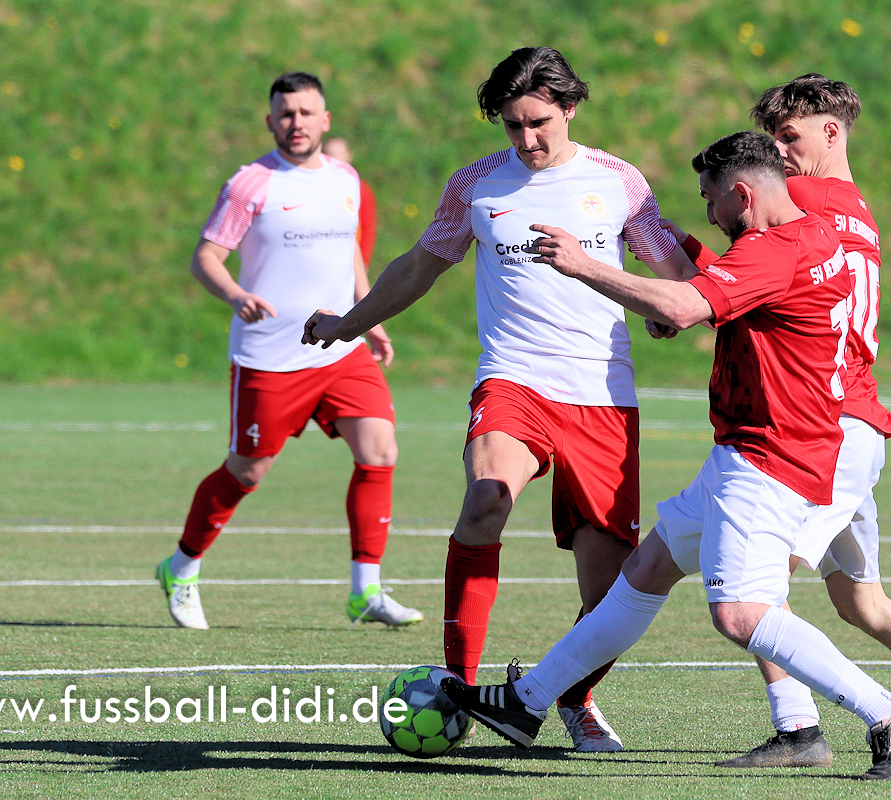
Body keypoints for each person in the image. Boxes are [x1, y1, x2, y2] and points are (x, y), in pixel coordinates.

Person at [442, 130, 891, 781]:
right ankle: (527, 702)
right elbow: (727, 294)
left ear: (742, 194)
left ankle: (889, 712)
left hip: (769, 456)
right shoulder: (811, 236)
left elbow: (684, 304)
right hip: (758, 448)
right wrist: (681, 269)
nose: (709, 213)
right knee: (644, 572)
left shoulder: (771, 250)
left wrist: (583, 264)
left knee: (740, 612)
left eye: (711, 200)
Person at [303, 47, 695, 751]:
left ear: (570, 107)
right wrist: (347, 325)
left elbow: (674, 272)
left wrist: (670, 307)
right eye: (513, 125)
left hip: (603, 395)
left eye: (539, 122)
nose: (527, 139)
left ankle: (573, 697)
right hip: (513, 379)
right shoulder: (476, 185)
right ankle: (456, 688)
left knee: (612, 594)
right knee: (486, 500)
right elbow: (419, 267)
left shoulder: (620, 183)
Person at [653, 74, 891, 766]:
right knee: (863, 603)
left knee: (757, 588)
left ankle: (800, 729)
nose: (777, 153)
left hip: (820, 421)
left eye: (787, 137)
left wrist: (672, 254)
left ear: (832, 131)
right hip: (855, 419)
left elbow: (741, 282)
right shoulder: (855, 206)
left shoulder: (801, 200)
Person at [155, 72, 423, 631]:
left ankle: (366, 591)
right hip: (270, 358)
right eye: (285, 113)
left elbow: (349, 252)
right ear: (270, 121)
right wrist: (236, 295)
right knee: (248, 470)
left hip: (339, 348)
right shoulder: (250, 184)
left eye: (305, 112)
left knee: (379, 450)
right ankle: (181, 568)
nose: (295, 122)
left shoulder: (346, 179)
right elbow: (205, 257)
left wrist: (367, 317)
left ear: (325, 120)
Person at [322, 138, 378, 268]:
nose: (336, 160)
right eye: (330, 155)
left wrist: (363, 263)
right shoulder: (316, 189)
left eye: (340, 154)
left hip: (350, 261)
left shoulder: (361, 190)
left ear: (349, 155)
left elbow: (368, 228)